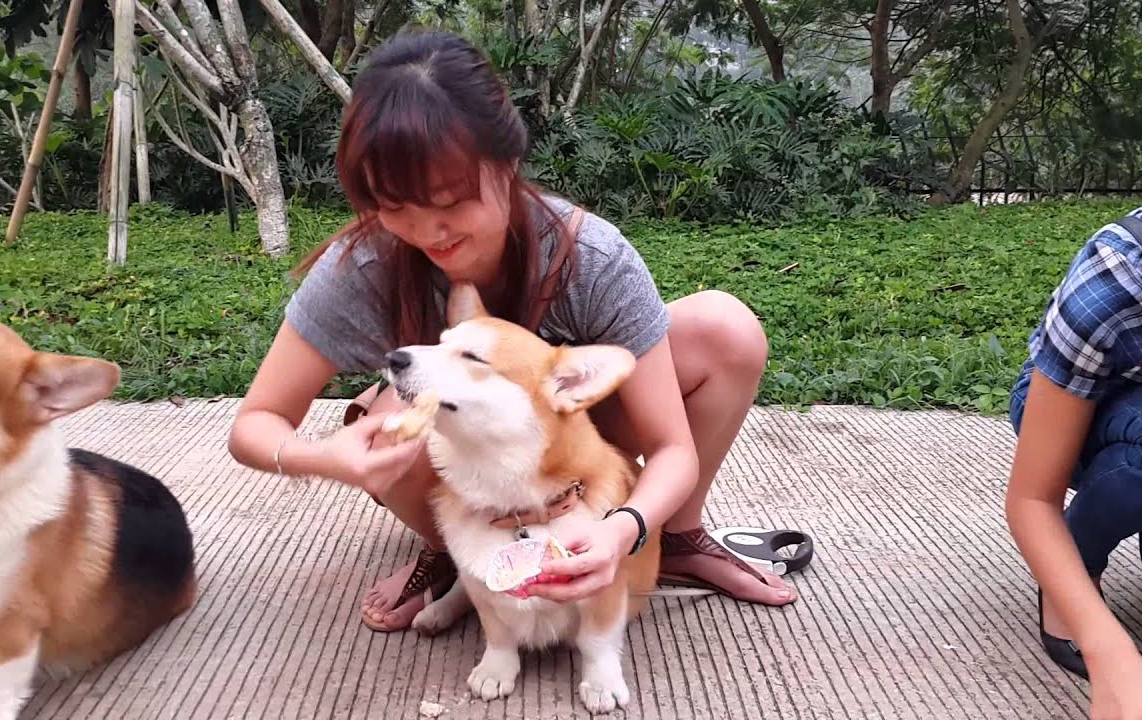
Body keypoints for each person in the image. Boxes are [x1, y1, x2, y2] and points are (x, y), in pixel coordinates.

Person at [227, 27, 797, 633]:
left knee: (724, 330)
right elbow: (254, 424)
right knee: (400, 408)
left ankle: (674, 535)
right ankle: (458, 553)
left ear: (508, 163)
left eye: (450, 201)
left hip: (577, 442)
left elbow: (672, 448)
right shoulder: (364, 269)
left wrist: (624, 530)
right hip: (464, 472)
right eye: (395, 207)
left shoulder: (591, 258)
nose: (428, 233)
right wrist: (321, 458)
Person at [1006, 208, 1142, 719]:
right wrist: (1114, 659)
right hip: (1075, 410)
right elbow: (1031, 498)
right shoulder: (1118, 278)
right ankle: (1073, 576)